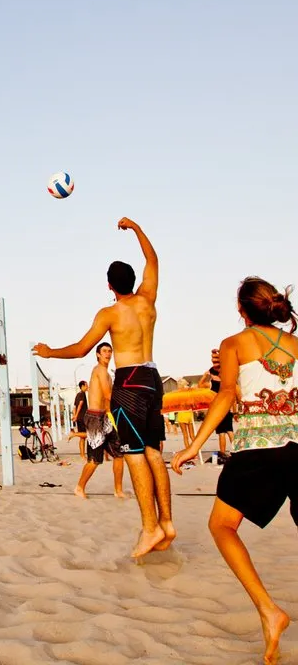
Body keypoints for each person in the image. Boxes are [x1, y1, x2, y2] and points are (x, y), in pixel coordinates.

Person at [172, 277, 298, 665]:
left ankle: (268, 610)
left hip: (258, 451)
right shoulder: (296, 344)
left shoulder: (233, 344)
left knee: (222, 526)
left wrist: (193, 445)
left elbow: (227, 395)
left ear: (243, 310)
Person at [34, 217, 174, 558]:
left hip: (128, 380)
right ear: (132, 281)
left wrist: (50, 351)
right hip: (154, 378)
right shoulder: (148, 300)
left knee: (134, 454)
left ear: (110, 286)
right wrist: (138, 229)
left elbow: (82, 349)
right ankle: (167, 522)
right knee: (154, 451)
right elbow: (153, 261)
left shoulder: (110, 313)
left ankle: (149, 528)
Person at [76, 343, 127, 499]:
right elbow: (107, 395)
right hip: (94, 418)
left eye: (110, 351)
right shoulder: (100, 370)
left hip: (104, 417)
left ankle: (118, 490)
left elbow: (107, 402)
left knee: (119, 454)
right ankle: (79, 487)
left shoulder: (107, 374)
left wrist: (114, 418)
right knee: (95, 460)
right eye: (104, 351)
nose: (108, 353)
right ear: (98, 354)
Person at [198, 348, 236, 460]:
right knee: (230, 431)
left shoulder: (211, 384)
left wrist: (205, 376)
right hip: (227, 409)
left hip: (218, 409)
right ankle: (236, 450)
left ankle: (223, 452)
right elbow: (233, 396)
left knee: (221, 433)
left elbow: (200, 385)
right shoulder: (226, 382)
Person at [71, 381, 88, 459]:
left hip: (79, 418)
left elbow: (74, 407)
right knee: (86, 435)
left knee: (82, 437)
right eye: (86, 385)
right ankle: (74, 434)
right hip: (83, 417)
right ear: (83, 386)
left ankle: (82, 455)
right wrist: (77, 415)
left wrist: (75, 416)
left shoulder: (78, 394)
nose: (87, 386)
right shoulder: (82, 394)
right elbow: (80, 405)